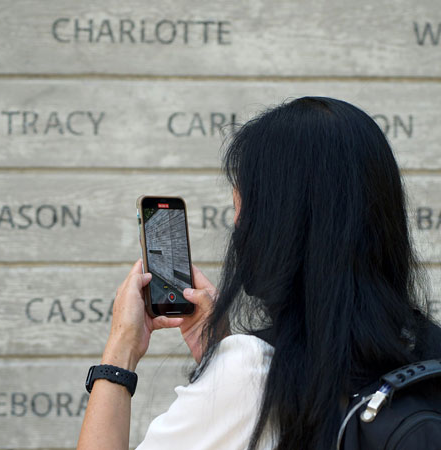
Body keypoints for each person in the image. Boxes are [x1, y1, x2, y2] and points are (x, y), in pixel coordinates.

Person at [76, 97, 441, 450]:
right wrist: (218, 358)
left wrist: (120, 354)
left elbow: (254, 389)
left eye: (241, 205)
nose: (237, 224)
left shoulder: (250, 371)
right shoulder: (429, 347)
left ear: (276, 226)